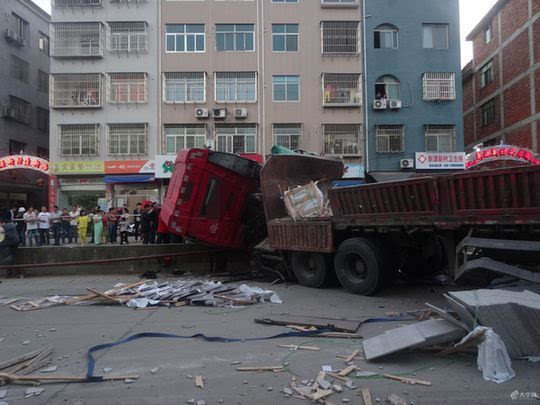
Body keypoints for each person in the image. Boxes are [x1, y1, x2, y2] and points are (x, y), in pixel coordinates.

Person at [0, 213, 23, 278]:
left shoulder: (6, 226)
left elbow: (3, 236)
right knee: (13, 258)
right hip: (15, 242)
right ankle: (12, 273)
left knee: (11, 258)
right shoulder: (11, 225)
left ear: (3, 222)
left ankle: (12, 273)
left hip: (11, 242)